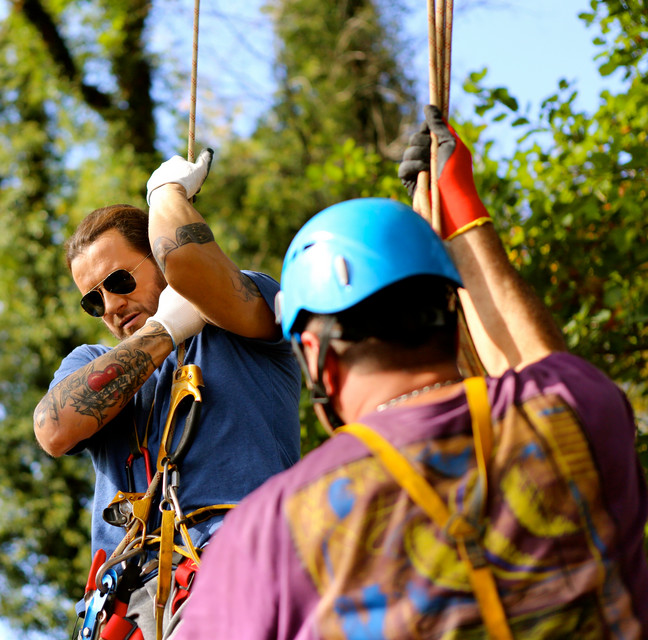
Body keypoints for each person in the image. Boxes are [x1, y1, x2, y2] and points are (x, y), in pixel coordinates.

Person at [175, 106, 648, 639]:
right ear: (453, 312)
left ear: (314, 353)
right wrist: (463, 217)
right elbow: (537, 362)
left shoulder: (267, 534)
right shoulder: (577, 415)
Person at [33, 149, 301, 638]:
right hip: (127, 612)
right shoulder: (89, 363)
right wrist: (163, 331)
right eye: (95, 299)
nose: (112, 305)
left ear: (153, 258)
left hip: (234, 569)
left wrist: (165, 195)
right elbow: (54, 429)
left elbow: (190, 262)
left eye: (120, 280)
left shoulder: (236, 314)